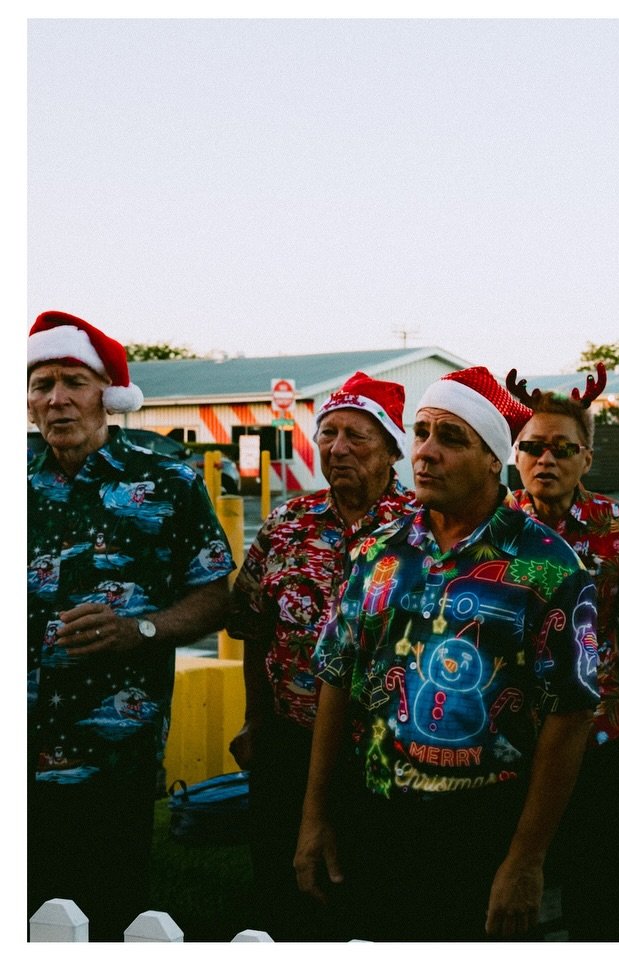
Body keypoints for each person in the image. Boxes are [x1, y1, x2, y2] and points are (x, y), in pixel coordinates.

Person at [292, 366, 600, 941]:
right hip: (375, 812)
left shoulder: (550, 566)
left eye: (450, 438)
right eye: (421, 432)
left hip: (482, 828)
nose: (425, 453)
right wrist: (316, 816)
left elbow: (571, 714)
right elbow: (337, 675)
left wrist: (526, 859)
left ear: (494, 459)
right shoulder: (378, 553)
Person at [27, 311, 233, 940]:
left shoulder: (166, 481)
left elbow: (213, 596)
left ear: (106, 397)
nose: (56, 399)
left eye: (73, 381)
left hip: (113, 750)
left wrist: (137, 631)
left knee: (109, 910)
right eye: (41, 384)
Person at [226, 371, 415, 940]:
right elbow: (252, 626)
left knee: (369, 897)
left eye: (357, 435)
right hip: (288, 740)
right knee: (284, 894)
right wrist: (255, 719)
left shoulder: (421, 531)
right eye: (328, 433)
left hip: (382, 749)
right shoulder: (287, 523)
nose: (338, 449)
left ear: (391, 450)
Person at [505, 364, 619, 940]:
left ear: (586, 459)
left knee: (595, 880)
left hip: (597, 732)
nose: (546, 460)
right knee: (510, 883)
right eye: (533, 447)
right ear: (515, 454)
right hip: (508, 733)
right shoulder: (492, 530)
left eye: (562, 449)